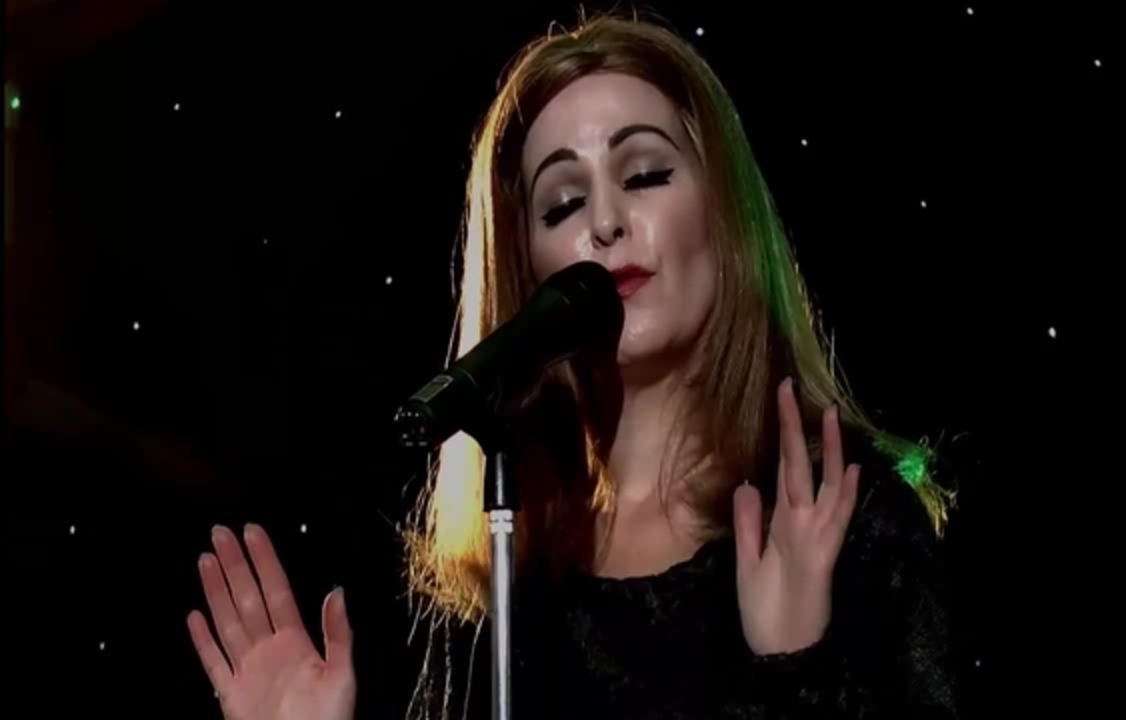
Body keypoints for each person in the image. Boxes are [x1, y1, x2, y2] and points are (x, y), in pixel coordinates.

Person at [187, 11, 958, 720]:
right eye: (561, 204)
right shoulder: (499, 578)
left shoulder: (844, 515)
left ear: (723, 212)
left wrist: (797, 671)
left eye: (645, 174)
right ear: (528, 270)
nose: (605, 223)